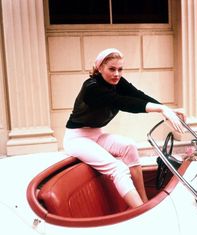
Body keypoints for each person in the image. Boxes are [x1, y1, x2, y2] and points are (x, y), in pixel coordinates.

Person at [63, 48, 185, 208]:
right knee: (118, 169)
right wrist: (161, 110)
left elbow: (137, 95)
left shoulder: (118, 82)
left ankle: (144, 201)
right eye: (112, 69)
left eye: (120, 69)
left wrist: (166, 109)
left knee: (129, 146)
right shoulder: (91, 88)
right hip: (77, 139)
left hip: (96, 135)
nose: (117, 74)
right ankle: (140, 212)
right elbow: (124, 103)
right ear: (100, 68)